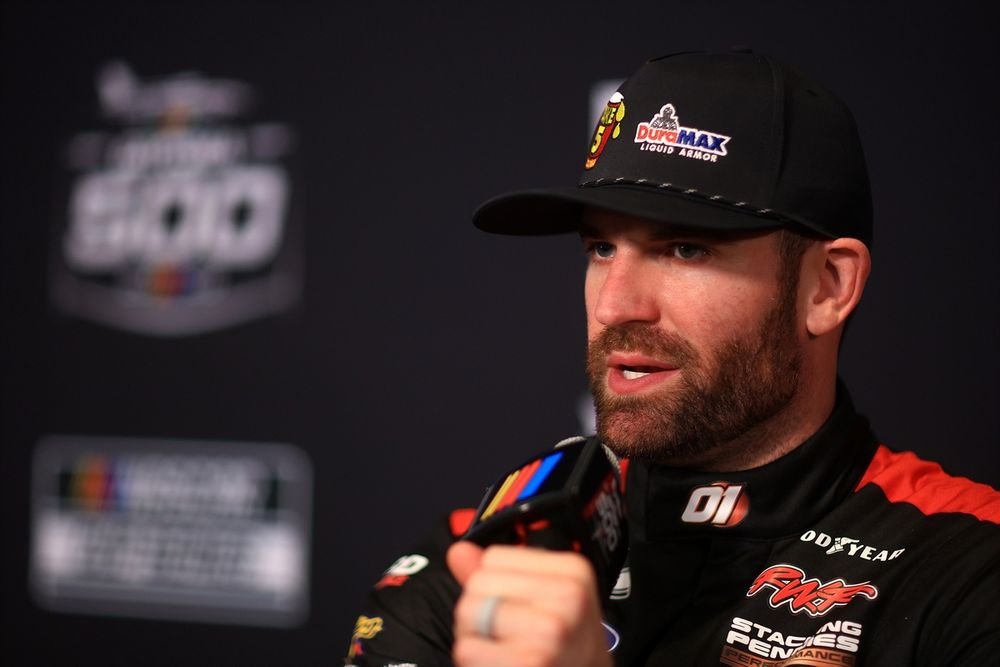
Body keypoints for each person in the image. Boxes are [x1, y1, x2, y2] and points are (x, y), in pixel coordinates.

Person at [345, 50, 1000, 666]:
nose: (615, 305)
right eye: (601, 249)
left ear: (827, 287)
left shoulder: (968, 570)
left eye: (686, 249)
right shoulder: (483, 561)